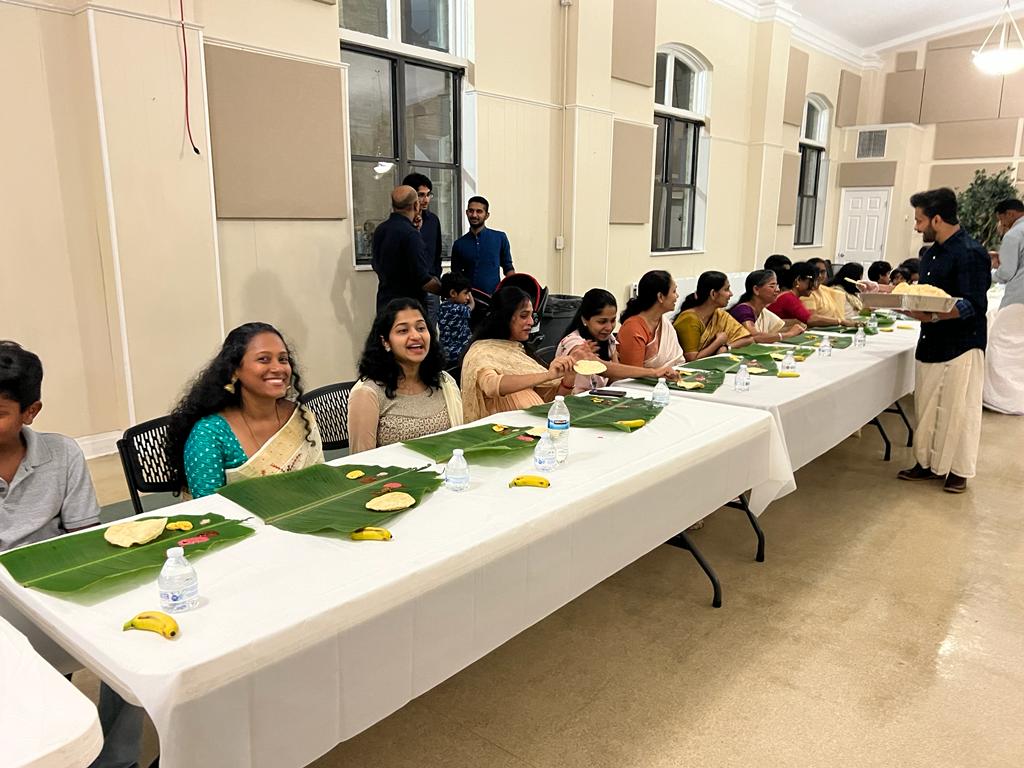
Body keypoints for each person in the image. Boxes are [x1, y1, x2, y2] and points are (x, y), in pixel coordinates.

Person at [0, 341, 140, 768]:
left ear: (31, 412)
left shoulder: (61, 454)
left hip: (51, 588)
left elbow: (83, 538)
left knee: (135, 638)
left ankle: (116, 759)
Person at [897, 188, 990, 493]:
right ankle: (926, 463)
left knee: (959, 410)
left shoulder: (971, 252)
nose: (916, 227)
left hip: (962, 343)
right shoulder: (930, 253)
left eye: (919, 220)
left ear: (936, 219)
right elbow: (926, 295)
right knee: (926, 406)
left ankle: (958, 471)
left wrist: (934, 316)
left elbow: (973, 304)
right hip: (931, 341)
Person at [166, 323, 324, 499]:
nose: (278, 368)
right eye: (263, 359)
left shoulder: (300, 417)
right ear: (234, 370)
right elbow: (209, 508)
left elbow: (321, 484)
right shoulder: (210, 434)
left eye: (283, 359)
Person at [348, 299, 463, 453]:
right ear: (385, 342)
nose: (416, 336)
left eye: (421, 328)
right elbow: (361, 461)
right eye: (403, 331)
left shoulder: (444, 382)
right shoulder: (368, 394)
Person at [460, 286, 587, 421]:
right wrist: (547, 375)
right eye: (524, 316)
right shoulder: (481, 351)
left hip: (537, 427)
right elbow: (491, 385)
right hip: (502, 430)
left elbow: (553, 404)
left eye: (532, 316)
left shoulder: (519, 352)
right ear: (505, 317)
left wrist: (568, 378)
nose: (531, 322)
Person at [555, 289, 679, 393]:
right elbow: (603, 368)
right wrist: (654, 372)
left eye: (613, 320)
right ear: (584, 320)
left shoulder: (609, 340)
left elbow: (615, 376)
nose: (609, 327)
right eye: (602, 321)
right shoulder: (574, 343)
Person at [372, 185, 442, 313]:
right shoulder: (411, 234)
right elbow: (422, 279)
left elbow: (376, 265)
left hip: (384, 303)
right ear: (416, 205)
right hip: (408, 307)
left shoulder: (380, 229)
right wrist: (447, 291)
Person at [983, 198, 1024, 414]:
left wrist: (988, 274)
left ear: (1009, 214)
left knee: (999, 342)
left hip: (1019, 298)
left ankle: (1001, 400)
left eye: (1000, 218)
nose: (1000, 223)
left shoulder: (1014, 234)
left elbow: (1007, 272)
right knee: (1019, 349)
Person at [672, 271, 753, 361]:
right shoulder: (689, 319)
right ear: (713, 294)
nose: (731, 294)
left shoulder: (719, 314)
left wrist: (727, 347)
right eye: (726, 289)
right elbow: (692, 359)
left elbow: (748, 339)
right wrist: (718, 342)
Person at [617, 270, 686, 368]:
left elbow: (678, 362)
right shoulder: (633, 328)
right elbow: (632, 373)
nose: (677, 296)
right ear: (660, 297)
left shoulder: (664, 323)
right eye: (674, 291)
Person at [450, 196, 515, 294]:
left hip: (494, 298)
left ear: (487, 215)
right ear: (466, 213)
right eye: (471, 211)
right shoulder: (459, 244)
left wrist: (513, 292)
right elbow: (456, 276)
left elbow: (508, 268)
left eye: (479, 211)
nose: (474, 215)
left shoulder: (500, 238)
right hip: (468, 299)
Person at [403, 173, 444, 327]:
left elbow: (437, 252)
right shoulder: (400, 224)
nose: (426, 200)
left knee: (430, 331)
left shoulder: (433, 220)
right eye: (421, 195)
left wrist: (436, 277)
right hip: (408, 289)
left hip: (431, 285)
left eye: (428, 195)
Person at [728, 270, 807, 342]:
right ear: (756, 290)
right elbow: (754, 336)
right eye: (772, 286)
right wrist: (789, 334)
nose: (777, 290)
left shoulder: (762, 310)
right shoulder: (743, 310)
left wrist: (796, 324)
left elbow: (777, 327)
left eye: (777, 286)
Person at [768, 261, 850, 328]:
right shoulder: (788, 298)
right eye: (812, 282)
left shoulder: (790, 296)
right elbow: (810, 319)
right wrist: (840, 321)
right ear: (798, 280)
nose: (814, 286)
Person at [437, 272, 475, 364]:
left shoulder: (442, 307)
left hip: (446, 352)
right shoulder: (459, 309)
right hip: (460, 352)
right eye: (465, 293)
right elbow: (472, 305)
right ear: (453, 293)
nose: (467, 297)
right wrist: (470, 293)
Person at [801, 257, 848, 324]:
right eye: (816, 272)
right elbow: (811, 319)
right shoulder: (804, 292)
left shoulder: (827, 290)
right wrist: (840, 321)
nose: (820, 275)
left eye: (823, 272)